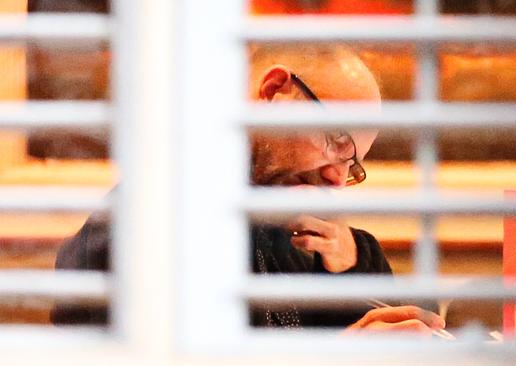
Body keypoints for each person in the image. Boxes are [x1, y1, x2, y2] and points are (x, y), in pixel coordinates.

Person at [52, 45, 445, 334]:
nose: (337, 181)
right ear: (274, 91)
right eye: (337, 140)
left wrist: (351, 263)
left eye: (352, 165)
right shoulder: (151, 215)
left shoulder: (287, 223)